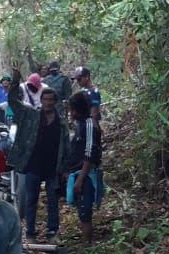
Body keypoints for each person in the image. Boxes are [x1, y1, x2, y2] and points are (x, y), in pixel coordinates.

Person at [8, 68, 68, 241]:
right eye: (45, 99)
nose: (48, 102)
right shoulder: (31, 115)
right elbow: (13, 102)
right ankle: (30, 232)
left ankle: (52, 232)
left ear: (55, 102)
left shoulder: (61, 123)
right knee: (31, 200)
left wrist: (64, 169)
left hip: (52, 168)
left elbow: (66, 148)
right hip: (33, 164)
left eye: (51, 100)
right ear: (41, 100)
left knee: (52, 201)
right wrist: (15, 81)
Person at [67, 91, 103, 244]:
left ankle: (89, 246)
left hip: (86, 175)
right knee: (82, 210)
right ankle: (87, 243)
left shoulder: (88, 124)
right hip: (77, 172)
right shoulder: (80, 124)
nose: (70, 113)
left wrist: (81, 179)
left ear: (76, 110)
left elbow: (89, 153)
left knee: (85, 210)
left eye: (71, 109)